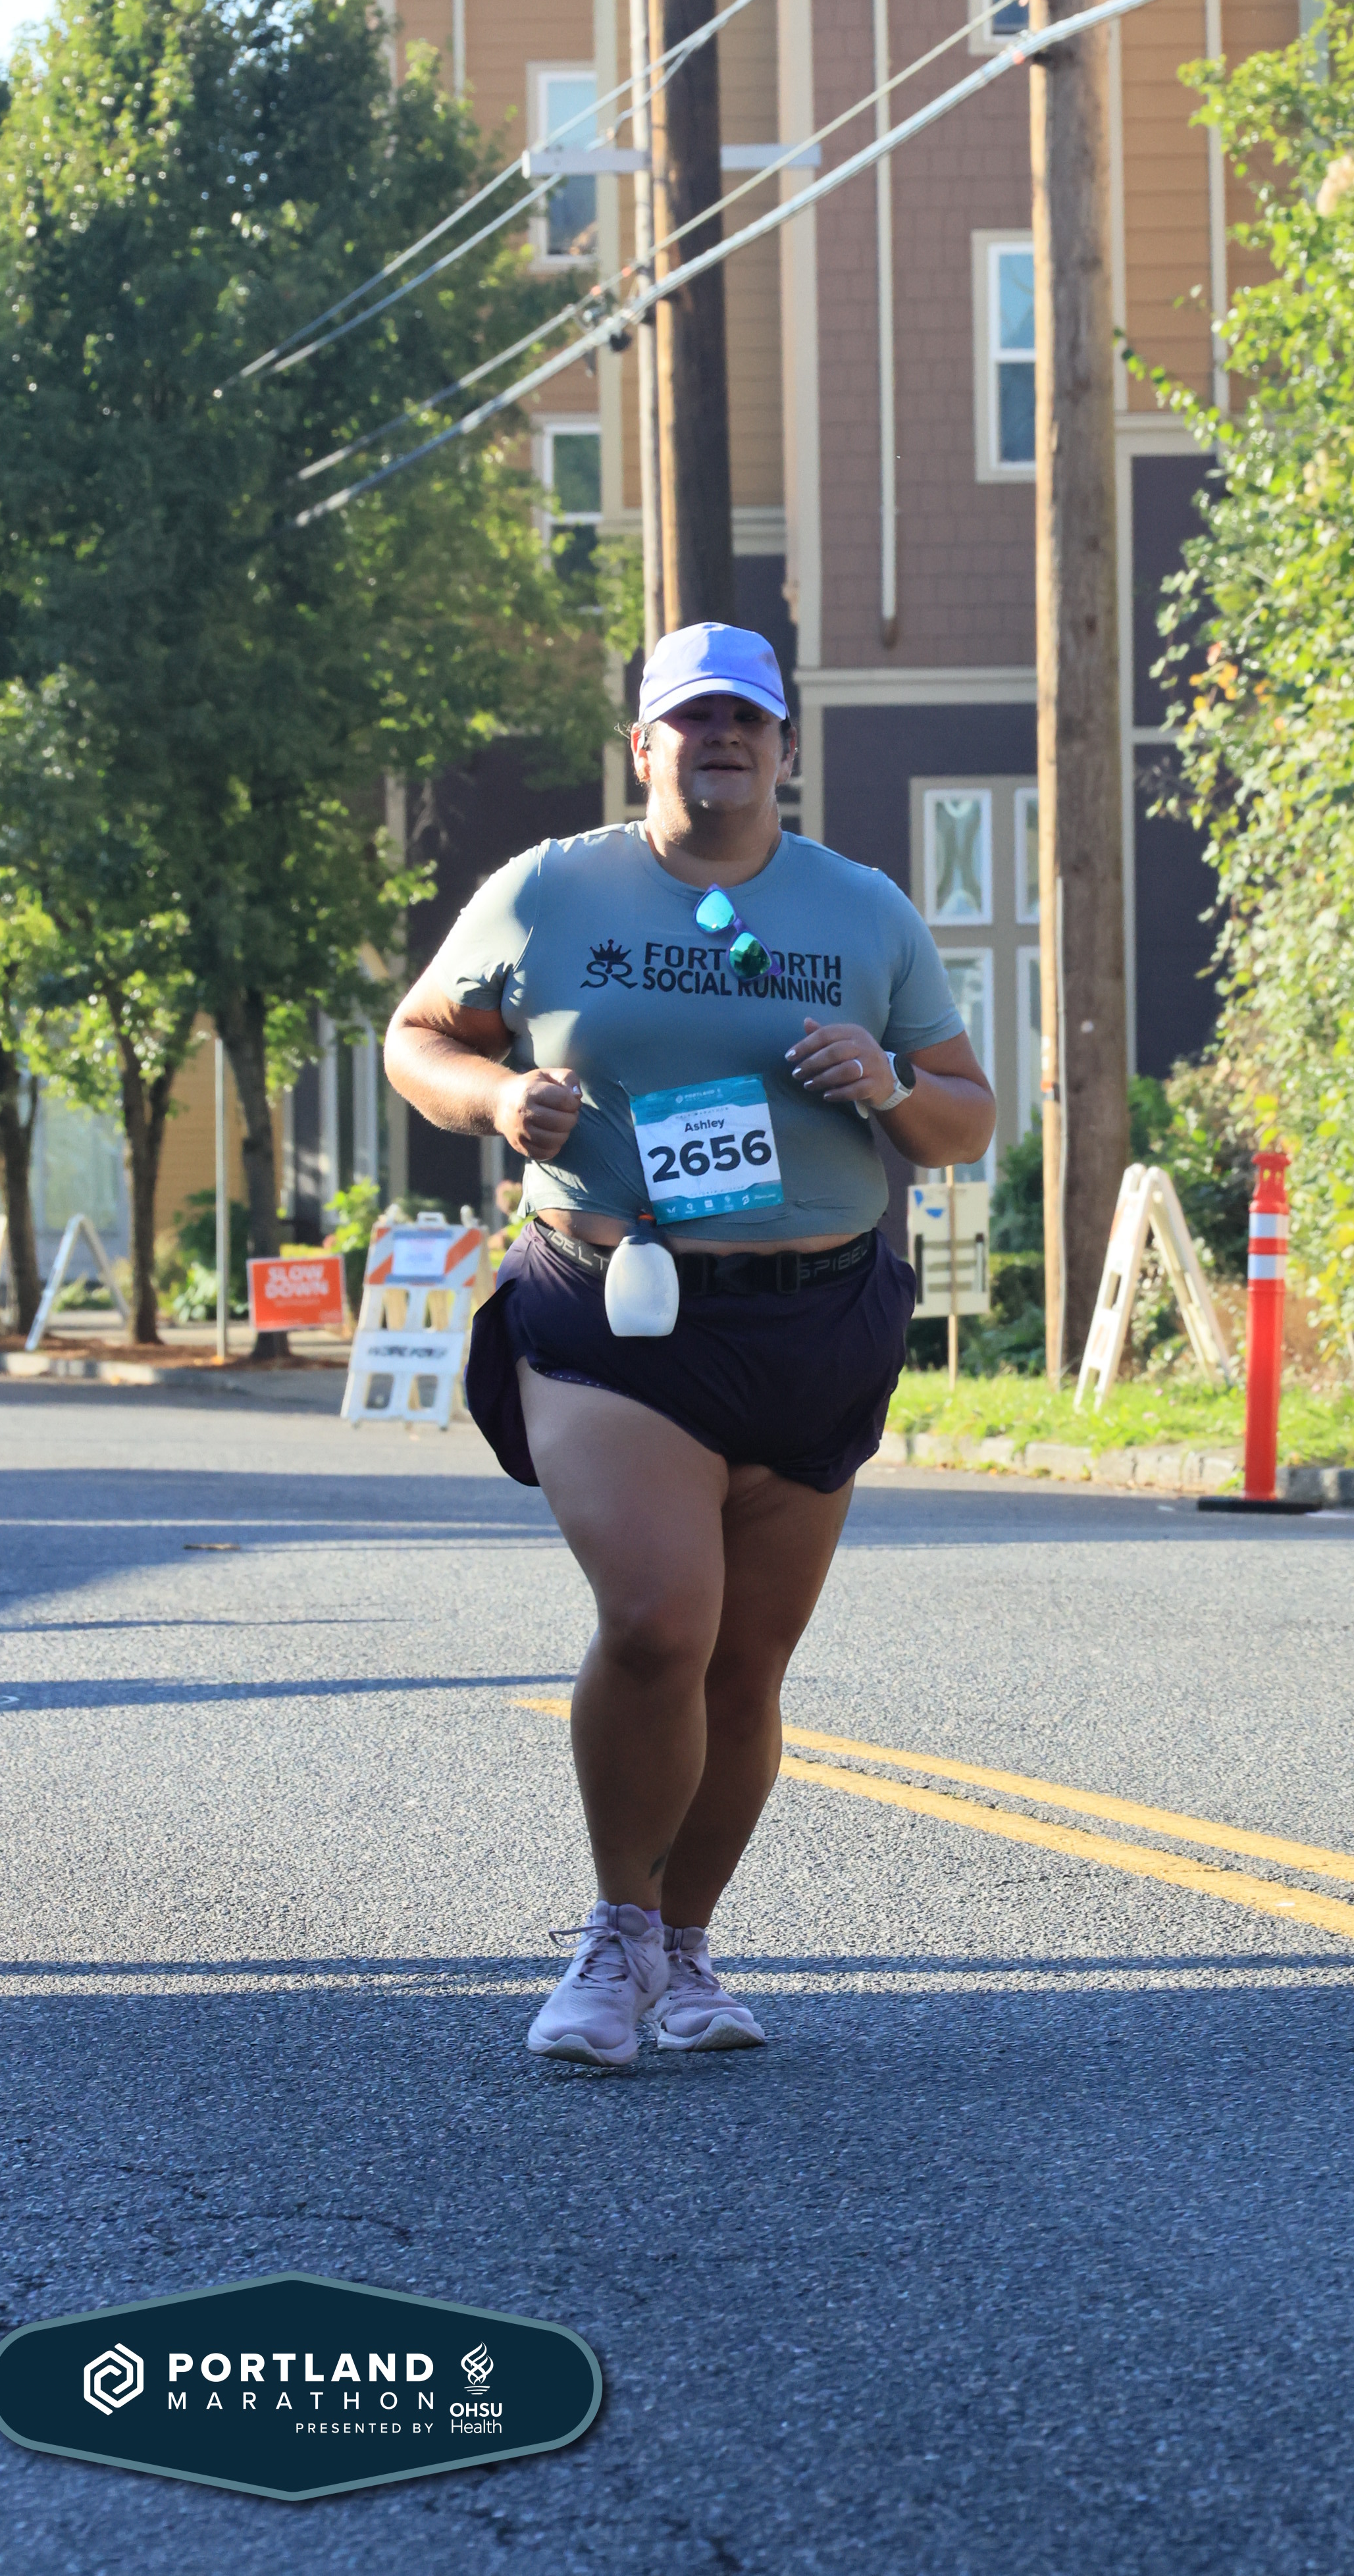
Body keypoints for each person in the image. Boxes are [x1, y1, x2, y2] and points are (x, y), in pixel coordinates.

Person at [385, 622, 995, 2065]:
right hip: (613, 1307)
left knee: (746, 1666)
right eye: (693, 718)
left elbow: (965, 1117)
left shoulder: (861, 910)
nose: (722, 739)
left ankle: (687, 1944)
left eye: (747, 720)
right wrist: (495, 1101)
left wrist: (888, 1082)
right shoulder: (550, 888)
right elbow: (418, 1036)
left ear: (784, 748)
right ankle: (615, 1934)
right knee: (663, 1622)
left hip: (815, 1314)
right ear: (643, 745)